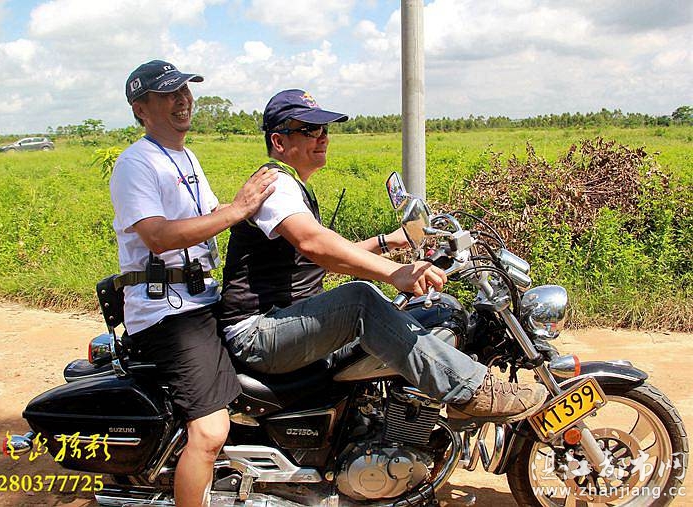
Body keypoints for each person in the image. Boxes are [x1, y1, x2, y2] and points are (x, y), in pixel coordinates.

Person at [219, 89, 547, 424]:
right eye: (310, 130)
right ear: (278, 141)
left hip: (282, 323)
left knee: (426, 309)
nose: (323, 138)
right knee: (361, 300)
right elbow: (314, 244)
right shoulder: (275, 185)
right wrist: (395, 272)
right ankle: (469, 391)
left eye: (325, 130)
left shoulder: (293, 186)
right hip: (257, 333)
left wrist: (390, 241)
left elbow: (324, 256)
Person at [109, 60, 277, 507]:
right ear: (141, 109)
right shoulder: (135, 164)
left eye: (185, 90)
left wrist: (262, 211)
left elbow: (208, 215)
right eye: (169, 94)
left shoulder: (185, 156)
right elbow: (158, 235)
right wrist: (237, 210)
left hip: (201, 297)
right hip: (168, 312)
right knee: (210, 431)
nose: (183, 100)